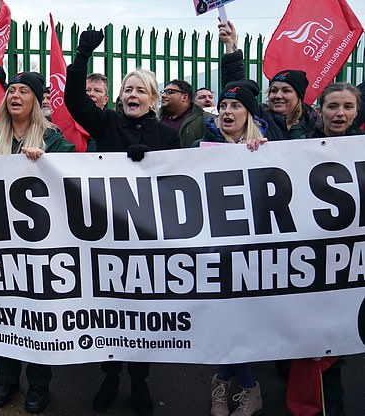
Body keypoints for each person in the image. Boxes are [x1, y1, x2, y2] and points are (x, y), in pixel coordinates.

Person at [64, 29, 179, 416]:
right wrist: (81, 55)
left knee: (142, 312)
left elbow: (180, 186)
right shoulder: (108, 125)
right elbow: (75, 101)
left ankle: (139, 379)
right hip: (107, 238)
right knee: (109, 310)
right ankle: (110, 375)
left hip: (148, 241)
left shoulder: (167, 135)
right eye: (128, 89)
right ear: (120, 96)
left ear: (152, 98)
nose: (132, 95)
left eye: (141, 91)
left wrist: (151, 166)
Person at [0, 71, 74, 413]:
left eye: (24, 91)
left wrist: (48, 161)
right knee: (3, 312)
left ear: (36, 100)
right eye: (11, 91)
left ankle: (38, 384)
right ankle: (5, 378)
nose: (15, 96)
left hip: (38, 247)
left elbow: (74, 175)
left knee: (37, 315)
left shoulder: (53, 138)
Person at [286, 82, 361, 416]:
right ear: (321, 109)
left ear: (357, 111)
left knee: (338, 343)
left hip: (350, 263)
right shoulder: (298, 147)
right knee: (311, 341)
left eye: (347, 106)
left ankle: (334, 404)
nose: (340, 113)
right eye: (333, 106)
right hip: (309, 258)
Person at [194, 80, 267, 416]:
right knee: (223, 319)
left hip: (253, 250)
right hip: (212, 250)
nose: (227, 111)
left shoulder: (268, 145)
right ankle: (237, 385)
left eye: (235, 106)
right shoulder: (200, 145)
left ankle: (241, 386)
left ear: (248, 113)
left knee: (244, 322)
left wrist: (266, 155)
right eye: (223, 106)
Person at [219, 19, 317, 140]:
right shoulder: (260, 117)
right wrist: (230, 45)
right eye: (274, 90)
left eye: (286, 91)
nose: (278, 96)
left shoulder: (314, 123)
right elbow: (235, 86)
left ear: (299, 96)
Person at [159, 79, 213, 148]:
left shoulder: (206, 120)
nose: (163, 96)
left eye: (169, 92)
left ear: (184, 97)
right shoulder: (155, 119)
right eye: (163, 92)